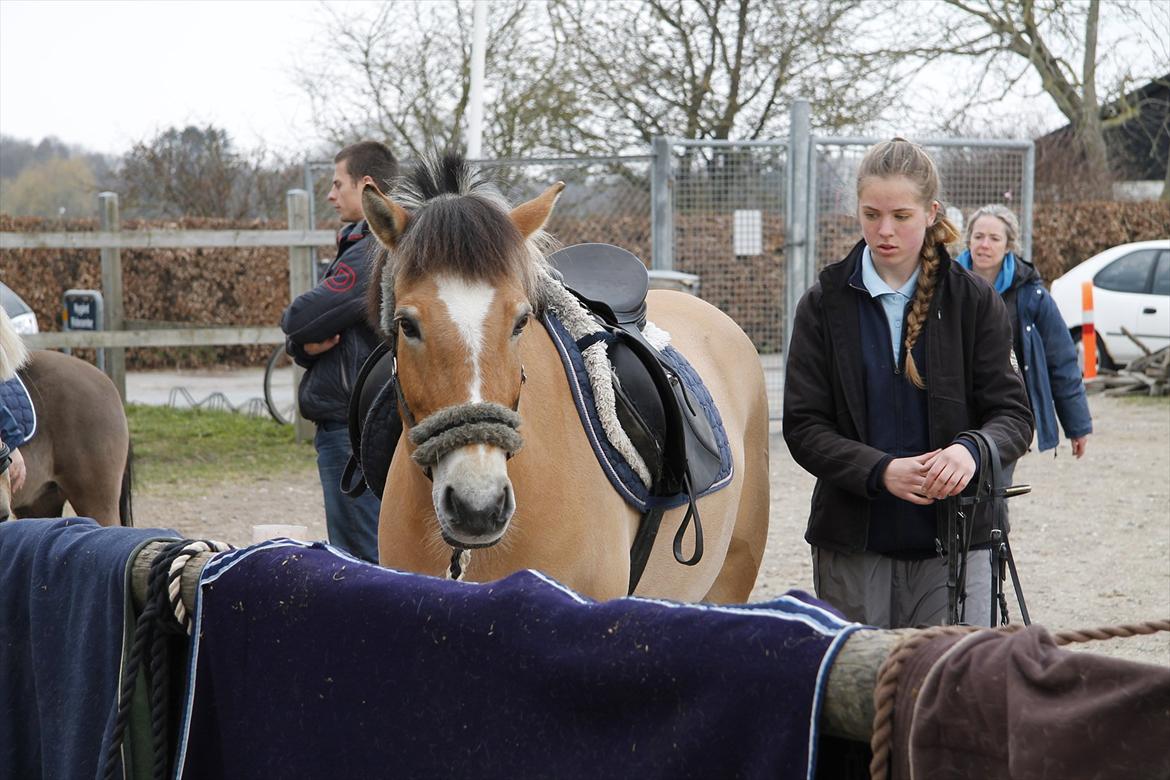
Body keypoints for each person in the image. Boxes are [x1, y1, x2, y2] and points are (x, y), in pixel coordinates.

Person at [782, 138, 1034, 628]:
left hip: (961, 544)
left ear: (931, 212)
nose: (884, 230)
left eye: (901, 216)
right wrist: (880, 471)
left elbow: (1014, 416)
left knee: (951, 675)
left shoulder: (975, 301)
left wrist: (971, 451)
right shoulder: (823, 304)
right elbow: (804, 427)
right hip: (853, 547)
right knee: (864, 678)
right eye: (871, 214)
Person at [280, 141, 398, 563]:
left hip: (351, 427)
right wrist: (302, 346)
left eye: (337, 184)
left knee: (361, 558)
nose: (331, 195)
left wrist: (297, 340)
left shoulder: (369, 251)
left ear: (366, 186)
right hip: (361, 418)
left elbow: (300, 317)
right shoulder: (368, 245)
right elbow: (310, 333)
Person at [958, 204, 1091, 462]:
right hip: (956, 405)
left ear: (1009, 245)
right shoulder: (946, 285)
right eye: (978, 236)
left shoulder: (1032, 296)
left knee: (995, 481)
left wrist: (1077, 425)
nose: (984, 245)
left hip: (1006, 412)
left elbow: (1061, 360)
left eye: (994, 238)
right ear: (969, 240)